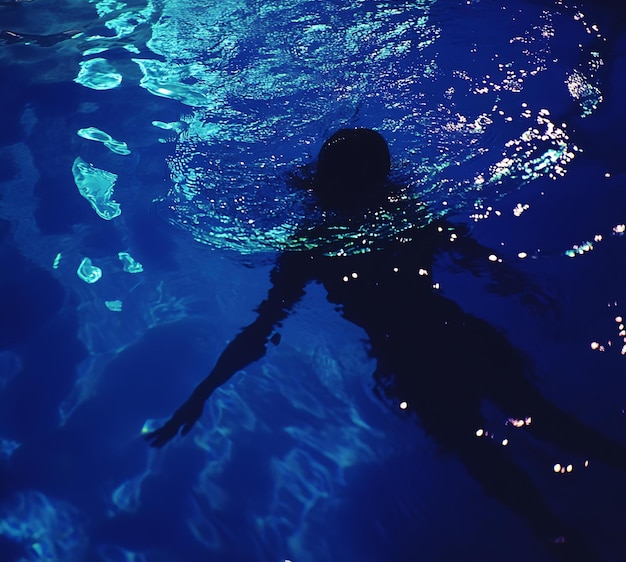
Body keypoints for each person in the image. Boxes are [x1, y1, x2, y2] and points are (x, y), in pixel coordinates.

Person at [145, 128, 623, 555]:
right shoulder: (410, 214)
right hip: (465, 336)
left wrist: (203, 392)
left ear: (325, 183)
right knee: (547, 421)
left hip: (411, 363)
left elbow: (261, 330)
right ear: (381, 179)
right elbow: (481, 260)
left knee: (479, 451)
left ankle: (556, 536)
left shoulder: (313, 243)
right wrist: (526, 289)